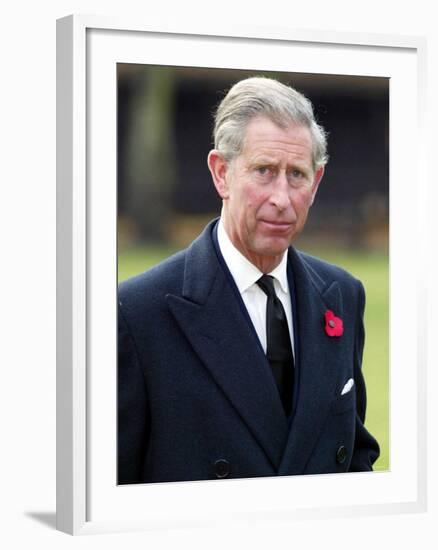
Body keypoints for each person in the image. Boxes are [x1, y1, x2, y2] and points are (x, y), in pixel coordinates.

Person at [118, 76, 380, 484]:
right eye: (264, 171)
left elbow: (355, 458)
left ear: (317, 183)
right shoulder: (137, 313)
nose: (281, 197)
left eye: (297, 174)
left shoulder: (343, 295)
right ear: (221, 173)